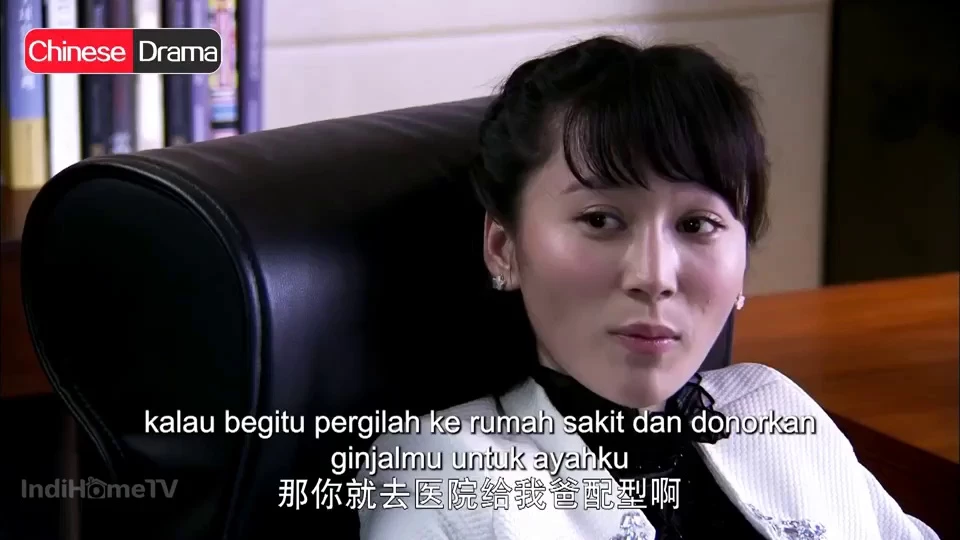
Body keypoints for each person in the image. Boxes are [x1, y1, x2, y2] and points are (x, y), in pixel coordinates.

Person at [356, 36, 939, 539]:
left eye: (697, 225)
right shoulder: (446, 469)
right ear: (504, 247)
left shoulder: (773, 407)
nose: (654, 276)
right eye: (600, 220)